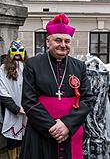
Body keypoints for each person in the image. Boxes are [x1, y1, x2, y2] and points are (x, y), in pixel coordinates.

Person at [19, 13, 94, 159]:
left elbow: (88, 99)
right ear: (48, 41)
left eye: (67, 41)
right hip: (40, 130)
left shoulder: (79, 66)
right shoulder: (33, 64)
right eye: (58, 40)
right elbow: (28, 101)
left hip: (70, 129)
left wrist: (66, 124)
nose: (63, 45)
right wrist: (52, 127)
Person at [0, 39, 28, 159]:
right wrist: (15, 108)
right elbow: (3, 90)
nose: (17, 53)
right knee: (12, 138)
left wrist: (27, 105)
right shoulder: (3, 68)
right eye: (15, 50)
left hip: (26, 108)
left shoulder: (27, 66)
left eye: (20, 50)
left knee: (23, 136)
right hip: (10, 109)